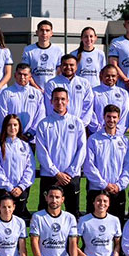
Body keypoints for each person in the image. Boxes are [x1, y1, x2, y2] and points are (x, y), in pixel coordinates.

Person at [34, 87, 87, 216]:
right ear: (51, 101)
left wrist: (69, 173)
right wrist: (56, 173)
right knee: (45, 215)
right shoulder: (44, 124)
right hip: (49, 176)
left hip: (71, 177)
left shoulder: (77, 123)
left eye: (63, 99)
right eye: (56, 99)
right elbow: (41, 152)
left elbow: (82, 149)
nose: (60, 102)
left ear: (68, 101)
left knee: (72, 214)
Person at [84, 105, 129, 219]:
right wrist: (104, 185)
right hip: (97, 190)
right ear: (104, 117)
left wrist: (119, 185)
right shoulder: (94, 139)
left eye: (114, 117)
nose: (111, 120)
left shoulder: (124, 141)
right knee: (94, 225)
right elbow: (89, 166)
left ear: (119, 118)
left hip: (117, 191)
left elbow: (128, 166)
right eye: (109, 117)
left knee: (117, 227)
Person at [0, 114, 35, 220]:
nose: (12, 128)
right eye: (9, 125)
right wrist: (9, 187)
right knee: (3, 221)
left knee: (19, 222)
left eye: (15, 125)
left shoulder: (25, 146)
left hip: (21, 191)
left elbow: (30, 168)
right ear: (5, 127)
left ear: (19, 127)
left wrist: (21, 187)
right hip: (3, 191)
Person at [43, 55, 95, 131]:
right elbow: (49, 106)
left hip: (78, 127)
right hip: (57, 125)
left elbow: (88, 106)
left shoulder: (84, 83)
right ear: (60, 66)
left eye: (71, 65)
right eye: (65, 65)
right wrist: (58, 121)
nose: (68, 67)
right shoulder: (52, 83)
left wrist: (80, 124)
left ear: (76, 67)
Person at [0, 63, 46, 137]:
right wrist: (9, 133)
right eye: (20, 74)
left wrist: (30, 133)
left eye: (25, 75)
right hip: (11, 137)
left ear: (30, 77)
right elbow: (1, 116)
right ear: (15, 75)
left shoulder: (37, 93)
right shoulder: (6, 93)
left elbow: (40, 115)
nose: (22, 77)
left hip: (31, 138)